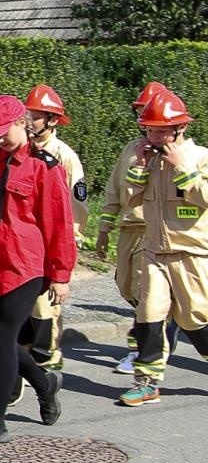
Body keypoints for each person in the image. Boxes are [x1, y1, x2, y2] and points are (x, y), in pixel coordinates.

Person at [0, 95, 75, 446]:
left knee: (4, 336)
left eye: (2, 130)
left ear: (22, 123)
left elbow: (59, 223)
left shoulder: (45, 166)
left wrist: (61, 273)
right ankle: (44, 383)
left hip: (25, 266)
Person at [114, 88, 208, 406]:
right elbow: (130, 200)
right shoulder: (147, 158)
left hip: (191, 254)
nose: (153, 134)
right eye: (149, 128)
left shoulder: (200, 157)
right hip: (154, 251)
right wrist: (138, 169)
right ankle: (146, 381)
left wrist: (183, 168)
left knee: (195, 320)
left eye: (160, 129)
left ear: (179, 127)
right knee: (149, 314)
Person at [95, 82, 178, 374]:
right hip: (129, 229)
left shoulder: (176, 155)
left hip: (154, 231)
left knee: (148, 296)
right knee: (126, 286)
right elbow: (115, 190)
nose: (143, 116)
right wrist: (105, 226)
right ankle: (166, 322)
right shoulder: (132, 149)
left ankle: (144, 351)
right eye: (141, 112)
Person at [19, 84, 88, 386]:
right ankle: (32, 357)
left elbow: (76, 204)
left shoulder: (64, 156)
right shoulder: (23, 150)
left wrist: (70, 242)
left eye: (34, 117)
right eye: (28, 115)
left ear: (52, 121)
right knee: (32, 304)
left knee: (45, 304)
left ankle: (46, 358)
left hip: (53, 242)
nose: (29, 122)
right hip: (29, 243)